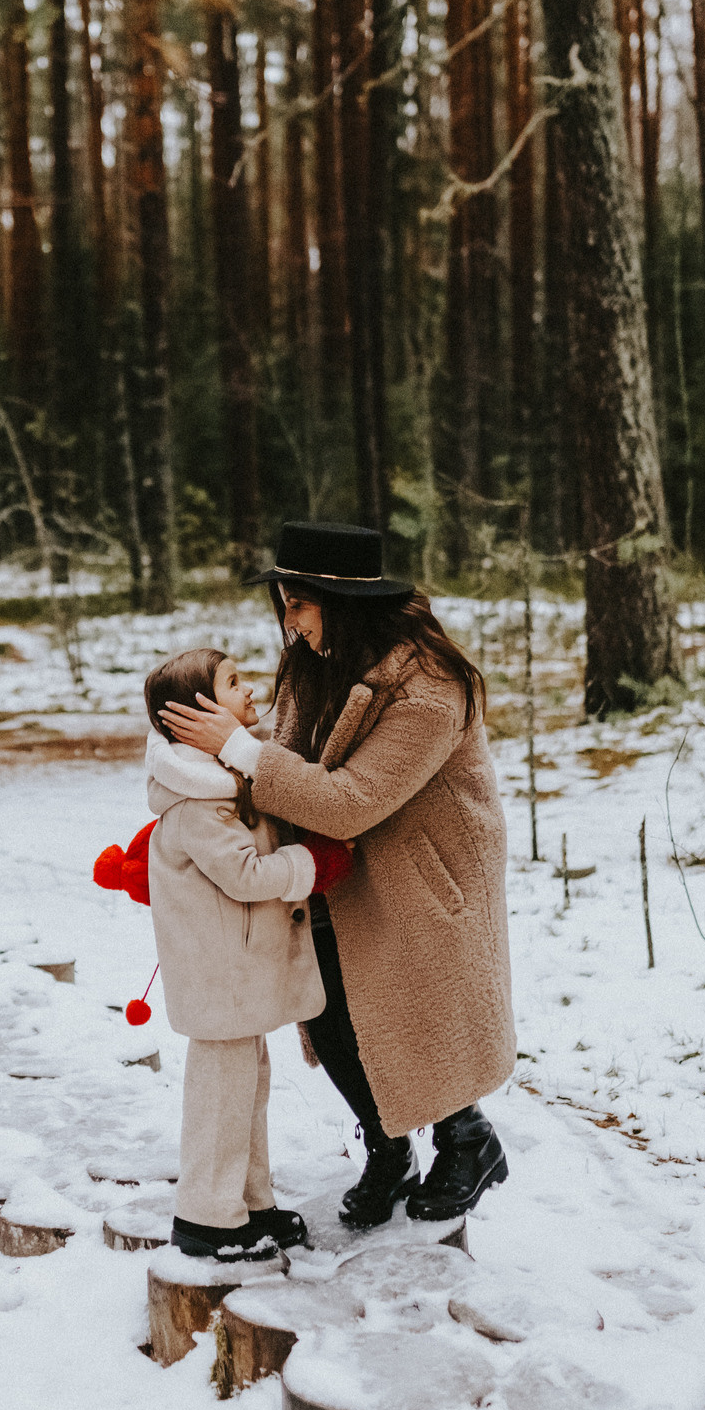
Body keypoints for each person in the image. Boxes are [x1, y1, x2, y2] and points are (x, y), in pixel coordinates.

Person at [159, 521, 515, 1229]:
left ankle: (466, 1138)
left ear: (340, 601)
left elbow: (352, 800)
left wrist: (235, 747)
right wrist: (198, 798)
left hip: (423, 872)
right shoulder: (315, 660)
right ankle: (388, 1147)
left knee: (417, 1008)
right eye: (285, 604)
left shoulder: (431, 687)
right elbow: (283, 759)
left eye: (299, 604)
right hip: (338, 864)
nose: (289, 622)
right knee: (327, 1010)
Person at [136, 647, 353, 1260]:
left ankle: (250, 1202)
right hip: (218, 975)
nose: (250, 690)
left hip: (236, 974)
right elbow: (244, 874)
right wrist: (312, 866)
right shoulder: (199, 800)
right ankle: (206, 1216)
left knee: (247, 1088)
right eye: (233, 684)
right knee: (220, 1098)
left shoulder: (221, 782)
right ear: (197, 713)